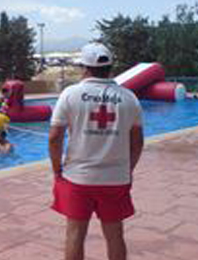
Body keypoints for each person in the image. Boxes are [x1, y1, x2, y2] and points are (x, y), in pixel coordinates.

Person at [48, 43, 144, 260]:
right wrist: (127, 170)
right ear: (110, 67)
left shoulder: (70, 94)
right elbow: (137, 143)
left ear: (85, 67)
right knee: (115, 236)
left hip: (78, 178)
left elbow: (55, 138)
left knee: (75, 235)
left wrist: (57, 170)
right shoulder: (130, 98)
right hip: (116, 179)